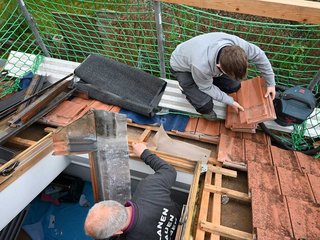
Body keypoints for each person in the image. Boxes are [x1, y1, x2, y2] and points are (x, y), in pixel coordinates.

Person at [84, 142, 181, 240]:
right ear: (115, 203)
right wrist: (144, 153)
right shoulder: (149, 188)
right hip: (183, 220)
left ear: (118, 232)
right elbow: (169, 171)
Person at [170, 32, 276, 120]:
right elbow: (206, 87)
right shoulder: (201, 66)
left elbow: (259, 55)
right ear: (219, 66)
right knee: (205, 106)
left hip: (202, 61)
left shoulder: (238, 46)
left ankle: (206, 80)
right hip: (181, 67)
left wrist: (270, 83)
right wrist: (230, 101)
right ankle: (185, 87)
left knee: (233, 86)